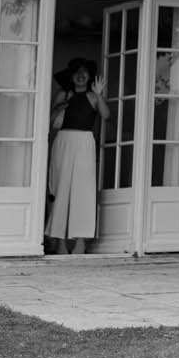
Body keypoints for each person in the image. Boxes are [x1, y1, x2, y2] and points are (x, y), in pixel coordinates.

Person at [45, 58, 106, 255]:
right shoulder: (64, 94)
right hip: (64, 141)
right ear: (71, 77)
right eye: (77, 72)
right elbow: (50, 120)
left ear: (89, 77)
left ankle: (81, 241)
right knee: (61, 189)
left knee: (84, 191)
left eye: (85, 72)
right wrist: (59, 107)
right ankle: (61, 242)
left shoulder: (93, 96)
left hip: (85, 143)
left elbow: (106, 115)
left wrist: (99, 95)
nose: (81, 76)